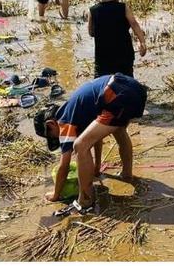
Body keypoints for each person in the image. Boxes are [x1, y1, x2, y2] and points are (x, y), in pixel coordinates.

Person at [33, 73, 148, 215]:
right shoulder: (77, 111)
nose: (58, 138)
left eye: (51, 135)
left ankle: (85, 200)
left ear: (51, 124)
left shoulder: (64, 121)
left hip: (117, 94)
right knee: (118, 131)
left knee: (79, 145)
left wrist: (55, 195)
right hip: (133, 88)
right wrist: (96, 168)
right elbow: (96, 140)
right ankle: (126, 174)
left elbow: (64, 166)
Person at [89, 0, 147, 78]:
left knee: (102, 81)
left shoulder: (93, 10)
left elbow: (91, 32)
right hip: (124, 54)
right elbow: (134, 24)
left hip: (103, 56)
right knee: (126, 78)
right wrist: (142, 41)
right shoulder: (123, 8)